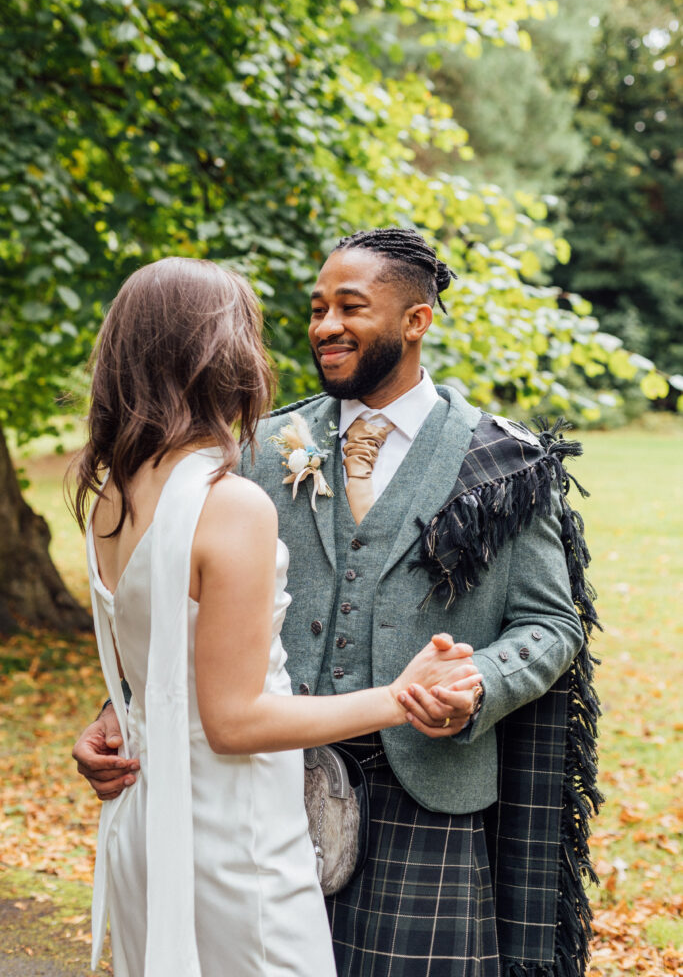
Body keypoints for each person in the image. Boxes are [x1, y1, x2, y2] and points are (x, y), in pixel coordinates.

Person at [74, 231, 601, 977]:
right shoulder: (250, 452)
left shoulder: (503, 463)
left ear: (415, 321)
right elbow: (180, 601)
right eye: (316, 308)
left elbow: (552, 625)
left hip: (423, 793)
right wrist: (118, 705)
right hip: (264, 791)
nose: (323, 325)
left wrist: (475, 680)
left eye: (349, 307)